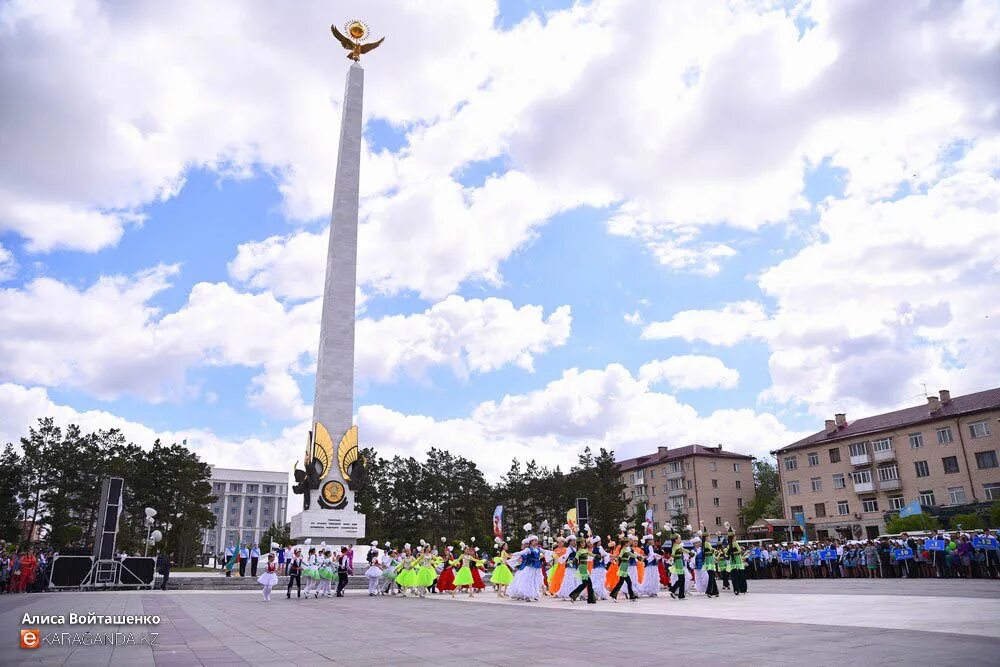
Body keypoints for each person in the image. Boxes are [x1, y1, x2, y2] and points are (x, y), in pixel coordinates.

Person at [568, 539, 596, 604]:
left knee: (585, 584)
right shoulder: (579, 551)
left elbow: (592, 554)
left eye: (584, 543)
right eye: (582, 543)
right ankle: (590, 600)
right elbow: (576, 559)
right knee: (588, 583)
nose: (583, 544)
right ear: (580, 544)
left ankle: (573, 596)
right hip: (582, 568)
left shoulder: (586, 550)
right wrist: (571, 561)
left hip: (585, 568)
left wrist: (599, 556)